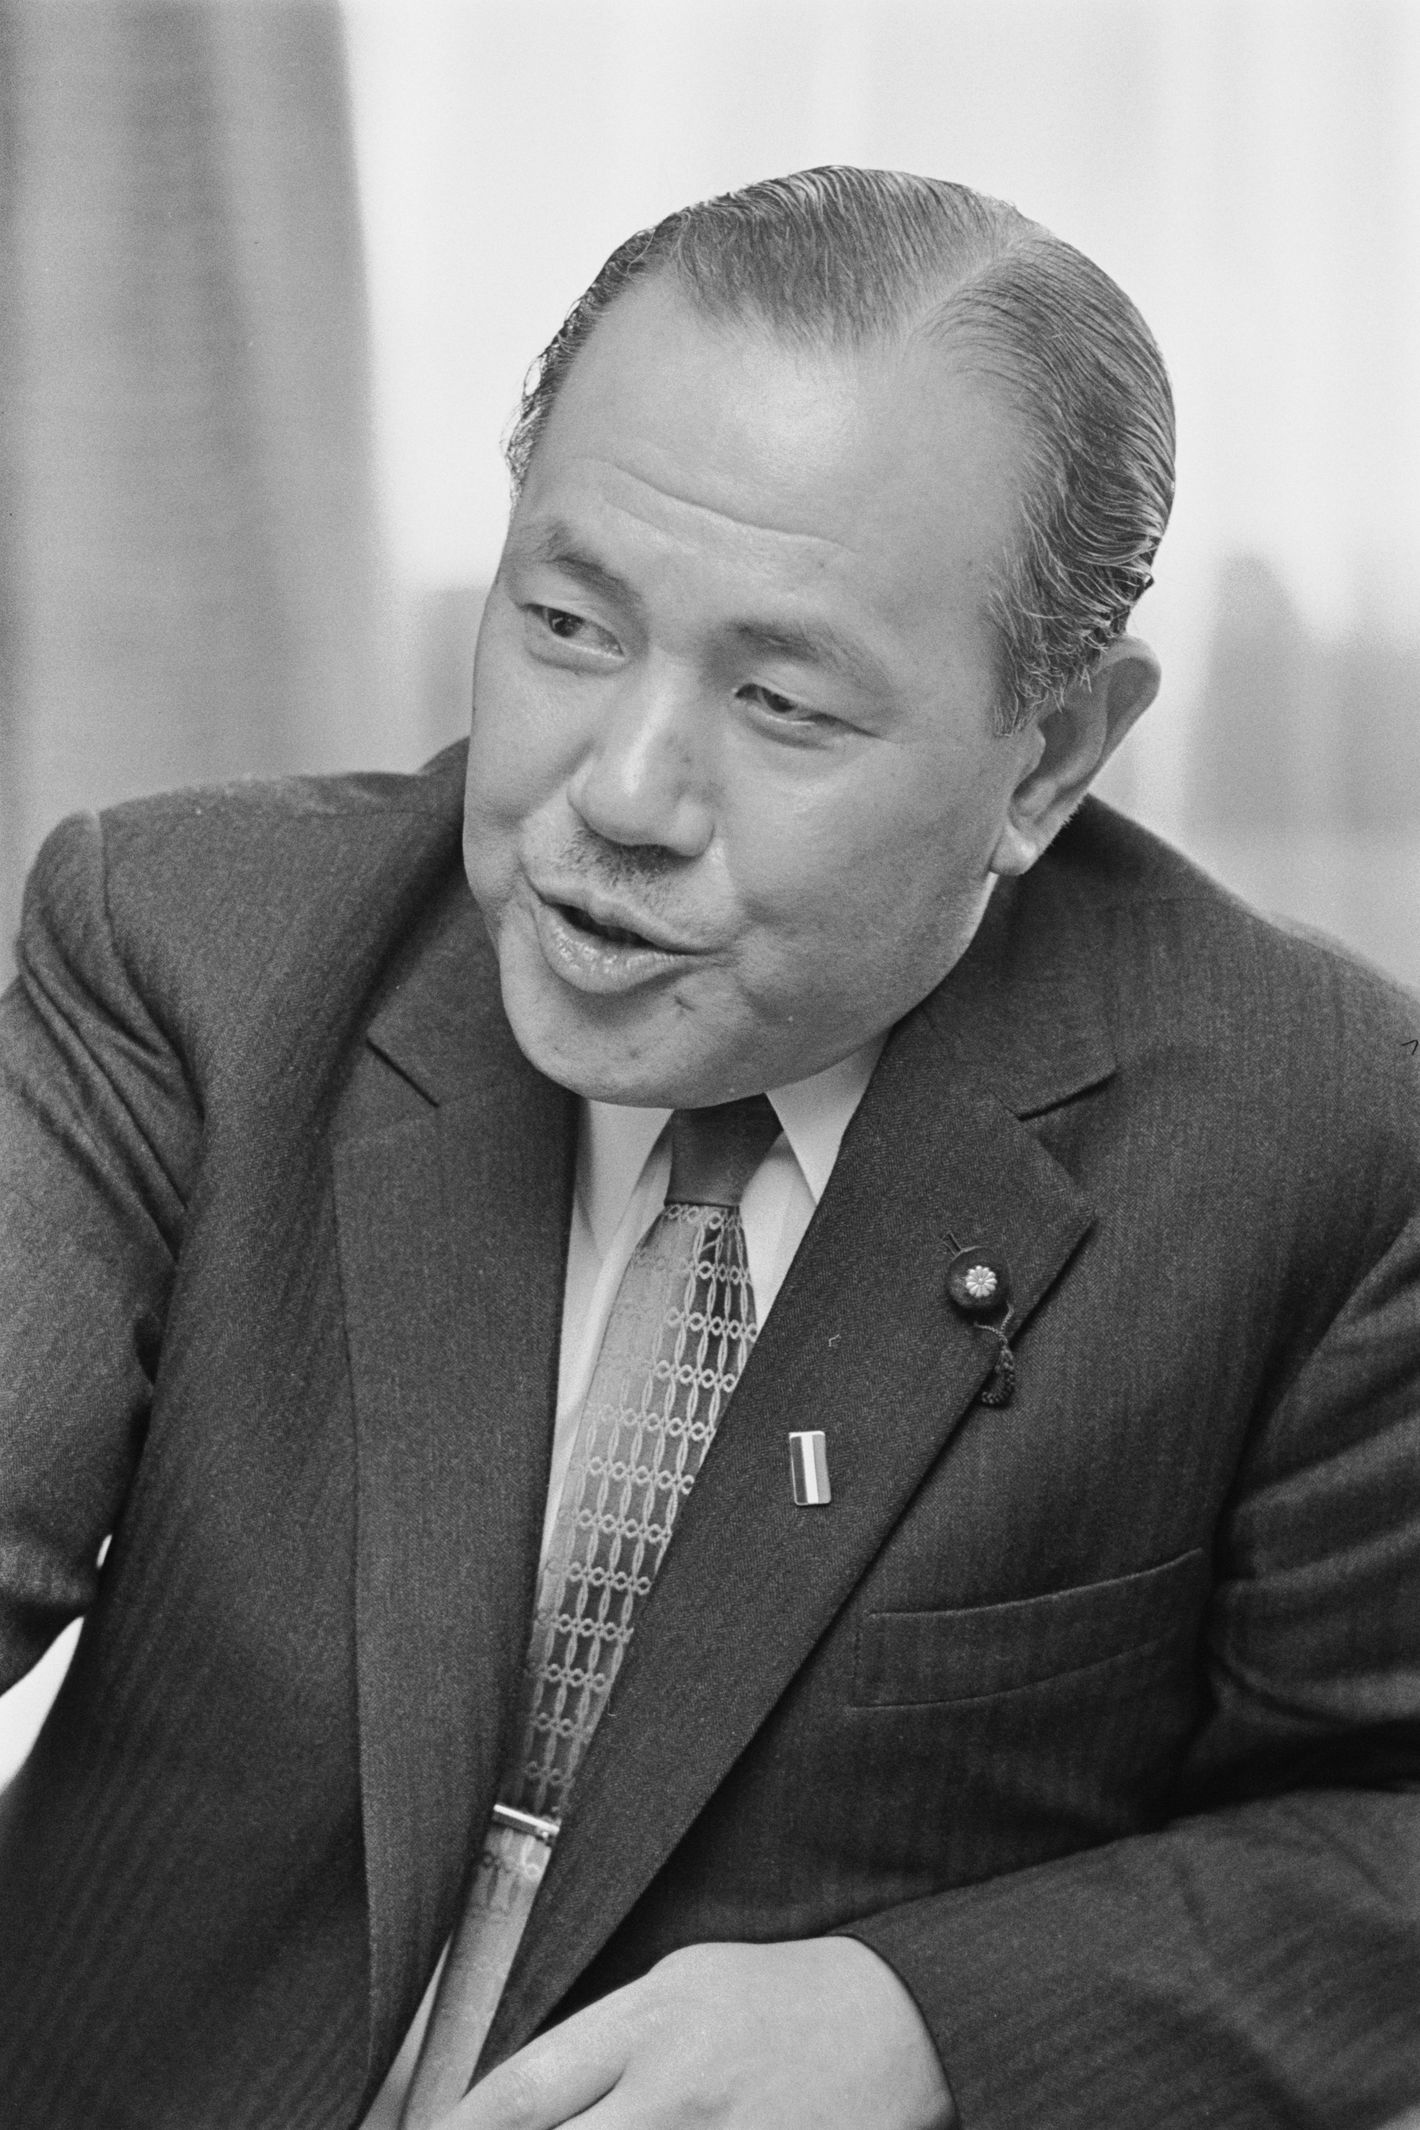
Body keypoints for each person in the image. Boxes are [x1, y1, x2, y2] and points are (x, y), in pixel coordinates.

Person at [0, 166, 1416, 2130]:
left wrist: (926, 2024)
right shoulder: (194, 951)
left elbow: (1383, 1826)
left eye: (779, 698)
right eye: (566, 622)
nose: (623, 791)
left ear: (1049, 757)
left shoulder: (1320, 1136)